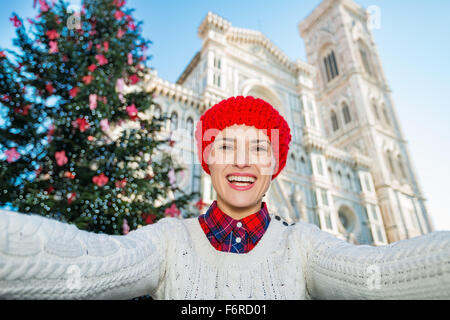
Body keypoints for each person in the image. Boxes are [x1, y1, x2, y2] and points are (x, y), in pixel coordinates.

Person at [0, 96, 449, 300]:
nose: (242, 162)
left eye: (259, 148)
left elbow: (381, 274)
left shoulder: (305, 246)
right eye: (226, 146)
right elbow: (94, 262)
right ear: (206, 160)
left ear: (275, 166)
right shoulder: (166, 242)